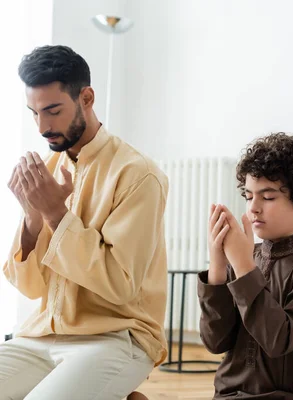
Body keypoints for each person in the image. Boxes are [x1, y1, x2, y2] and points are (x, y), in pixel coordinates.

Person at [0, 45, 169, 400]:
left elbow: (120, 284)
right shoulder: (47, 170)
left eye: (53, 110)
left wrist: (55, 215)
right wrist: (32, 219)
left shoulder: (138, 174)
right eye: (34, 113)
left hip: (116, 337)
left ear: (86, 98)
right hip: (40, 336)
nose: (43, 127)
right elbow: (31, 288)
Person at [198, 133, 293, 399]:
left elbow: (279, 340)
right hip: (230, 394)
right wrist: (218, 266)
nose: (253, 208)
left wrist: (242, 266)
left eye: (267, 197)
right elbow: (215, 342)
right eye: (249, 195)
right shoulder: (243, 257)